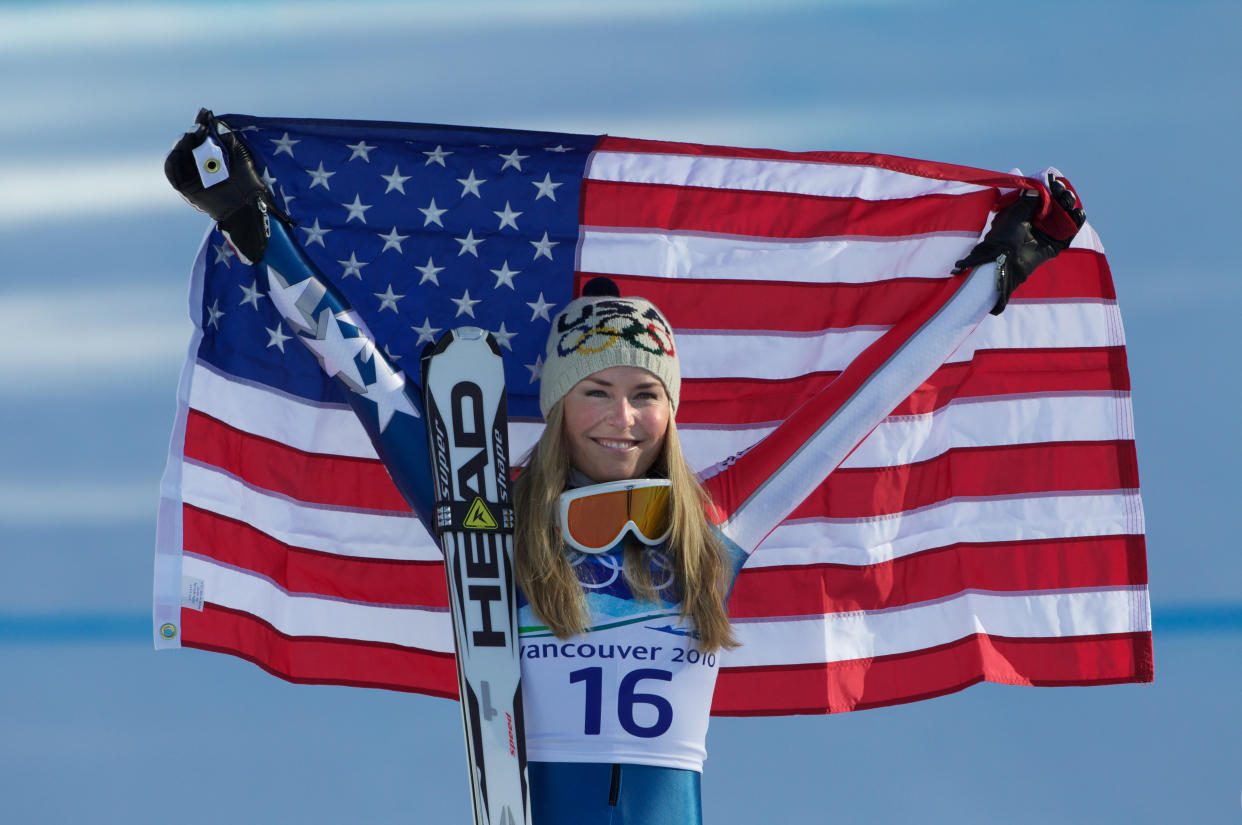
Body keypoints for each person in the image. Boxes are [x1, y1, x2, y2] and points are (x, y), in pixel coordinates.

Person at [165, 110, 1084, 825]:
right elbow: (370, 379)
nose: (623, 417)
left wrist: (998, 273)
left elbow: (861, 402)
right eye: (595, 392)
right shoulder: (486, 522)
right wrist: (255, 227)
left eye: (645, 395)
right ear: (560, 403)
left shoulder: (716, 529)